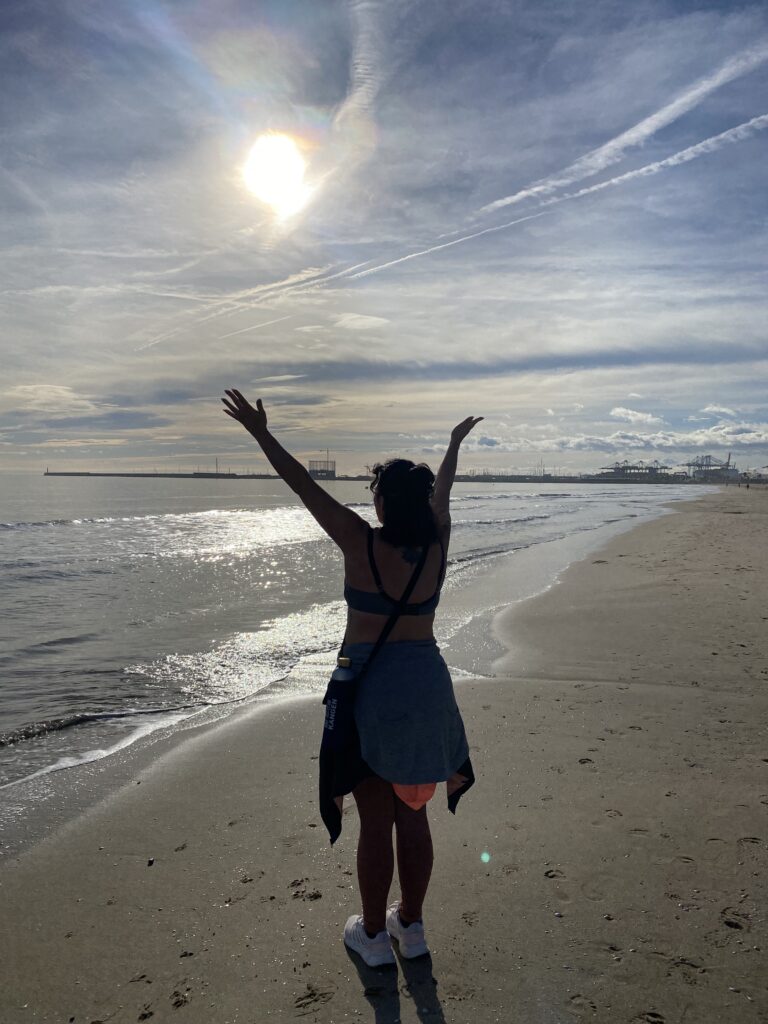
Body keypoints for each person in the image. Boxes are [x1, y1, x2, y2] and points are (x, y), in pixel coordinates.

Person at [221, 389, 482, 967]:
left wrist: (262, 434)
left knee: (375, 821)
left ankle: (371, 934)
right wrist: (452, 447)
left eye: (376, 496)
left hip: (370, 688)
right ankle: (410, 928)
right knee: (414, 813)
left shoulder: (359, 542)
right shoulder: (438, 542)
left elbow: (302, 486)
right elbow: (444, 494)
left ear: (383, 504)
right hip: (428, 684)